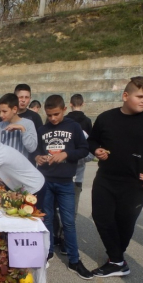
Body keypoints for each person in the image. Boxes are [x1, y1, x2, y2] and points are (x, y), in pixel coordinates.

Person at [88, 76, 143, 277]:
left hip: (134, 184)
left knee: (125, 222)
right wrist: (96, 150)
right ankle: (117, 260)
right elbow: (92, 141)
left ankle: (116, 259)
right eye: (140, 96)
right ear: (125, 96)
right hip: (105, 180)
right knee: (102, 218)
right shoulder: (105, 118)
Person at [35, 94, 92, 280]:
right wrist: (38, 157)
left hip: (66, 181)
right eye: (49, 115)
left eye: (56, 114)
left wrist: (66, 154)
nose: (53, 118)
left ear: (64, 110)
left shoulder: (74, 126)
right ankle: (49, 251)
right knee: (48, 219)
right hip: (47, 180)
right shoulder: (42, 129)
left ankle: (74, 260)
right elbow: (36, 150)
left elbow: (84, 149)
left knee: (68, 222)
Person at [54, 94, 94, 251]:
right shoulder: (55, 129)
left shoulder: (83, 133)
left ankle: (65, 239)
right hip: (55, 175)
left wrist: (72, 156)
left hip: (75, 177)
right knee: (52, 209)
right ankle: (56, 235)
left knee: (70, 212)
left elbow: (90, 154)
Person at [0, 93, 37, 159]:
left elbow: (32, 148)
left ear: (14, 109)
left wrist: (22, 129)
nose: (1, 115)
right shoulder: (0, 125)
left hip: (21, 167)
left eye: (4, 111)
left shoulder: (28, 123)